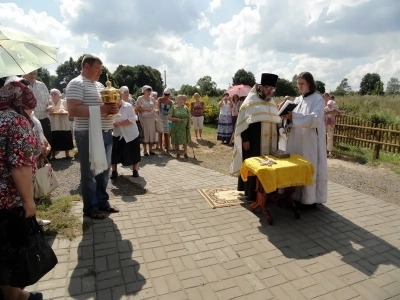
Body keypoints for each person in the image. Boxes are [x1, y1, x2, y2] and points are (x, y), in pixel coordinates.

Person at [0, 81, 44, 300]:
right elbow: (20, 166)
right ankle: (16, 296)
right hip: (7, 201)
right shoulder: (15, 121)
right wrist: (28, 201)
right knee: (10, 251)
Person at [66, 54, 120, 220]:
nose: (100, 72)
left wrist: (113, 109)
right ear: (86, 66)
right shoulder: (76, 83)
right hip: (87, 133)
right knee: (89, 171)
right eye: (97, 69)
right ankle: (90, 207)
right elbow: (73, 111)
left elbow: (104, 106)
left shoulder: (99, 85)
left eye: (101, 69)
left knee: (103, 169)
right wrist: (103, 109)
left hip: (105, 131)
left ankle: (102, 201)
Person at [230, 73, 281, 201]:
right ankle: (251, 193)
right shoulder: (250, 101)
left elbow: (276, 121)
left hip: (270, 142)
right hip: (254, 142)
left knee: (269, 165)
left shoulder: (271, 102)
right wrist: (245, 139)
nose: (270, 91)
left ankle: (268, 191)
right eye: (268, 88)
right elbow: (243, 121)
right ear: (260, 87)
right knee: (253, 165)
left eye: (272, 89)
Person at [281, 71, 328, 208]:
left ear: (309, 84)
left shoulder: (317, 99)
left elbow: (315, 118)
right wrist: (286, 117)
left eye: (302, 84)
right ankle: (295, 196)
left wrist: (293, 117)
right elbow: (292, 118)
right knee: (296, 166)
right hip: (296, 140)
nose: (299, 86)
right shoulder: (298, 99)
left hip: (309, 141)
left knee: (308, 166)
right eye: (298, 84)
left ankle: (309, 200)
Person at [110, 95, 142, 179]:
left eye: (116, 100)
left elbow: (132, 119)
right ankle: (114, 171)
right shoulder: (111, 107)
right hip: (117, 133)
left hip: (131, 133)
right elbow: (108, 119)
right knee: (114, 152)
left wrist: (118, 124)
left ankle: (135, 170)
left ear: (120, 99)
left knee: (134, 152)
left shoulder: (128, 106)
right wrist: (112, 124)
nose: (115, 103)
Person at [23, 70, 54, 149]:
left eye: (35, 74)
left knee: (47, 145)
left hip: (44, 120)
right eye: (30, 73)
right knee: (33, 147)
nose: (33, 76)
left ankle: (47, 161)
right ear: (23, 73)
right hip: (29, 122)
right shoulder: (20, 85)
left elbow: (49, 100)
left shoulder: (42, 85)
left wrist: (50, 106)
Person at [48, 88, 74, 160]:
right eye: (51, 94)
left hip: (64, 123)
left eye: (55, 94)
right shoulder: (49, 103)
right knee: (54, 139)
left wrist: (64, 112)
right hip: (53, 123)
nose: (53, 95)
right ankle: (53, 156)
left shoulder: (64, 102)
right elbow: (46, 112)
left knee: (65, 138)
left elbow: (69, 111)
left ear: (59, 95)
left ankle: (67, 155)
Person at [136, 85, 158, 156]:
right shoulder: (140, 98)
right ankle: (145, 150)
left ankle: (151, 149)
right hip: (143, 119)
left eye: (150, 90)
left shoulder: (152, 99)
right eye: (147, 90)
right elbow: (138, 108)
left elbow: (155, 107)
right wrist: (146, 109)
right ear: (144, 91)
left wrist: (156, 110)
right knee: (145, 133)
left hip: (151, 119)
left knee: (151, 133)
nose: (149, 92)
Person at [157, 88, 174, 154]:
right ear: (163, 93)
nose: (166, 96)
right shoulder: (160, 99)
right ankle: (161, 148)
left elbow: (171, 111)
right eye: (165, 94)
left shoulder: (170, 102)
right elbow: (158, 108)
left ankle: (167, 150)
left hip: (167, 119)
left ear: (169, 95)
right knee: (160, 133)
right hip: (160, 118)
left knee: (166, 134)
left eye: (168, 95)